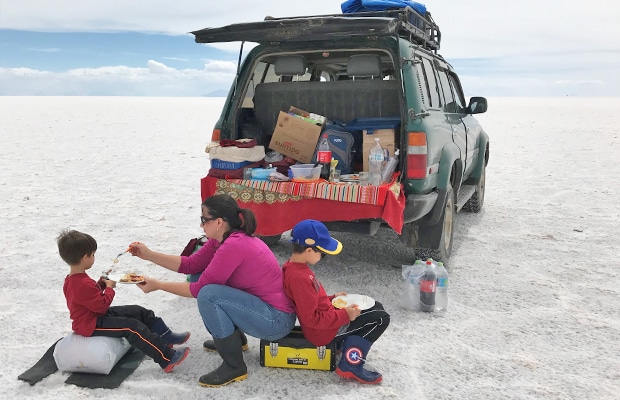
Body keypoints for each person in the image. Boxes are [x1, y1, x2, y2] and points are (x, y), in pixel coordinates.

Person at [128, 194, 296, 387]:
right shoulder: (222, 238)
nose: (201, 225)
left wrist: (158, 285)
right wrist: (149, 255)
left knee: (208, 294)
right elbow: (191, 265)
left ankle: (234, 366)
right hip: (262, 311)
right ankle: (235, 340)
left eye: (203, 220)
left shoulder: (233, 245)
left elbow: (200, 290)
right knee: (202, 277)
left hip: (275, 321)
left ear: (218, 222)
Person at [56, 229, 190, 373]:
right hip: (90, 324)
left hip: (95, 316)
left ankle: (166, 337)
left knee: (138, 311)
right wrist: (109, 288)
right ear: (84, 258)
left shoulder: (73, 279)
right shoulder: (81, 283)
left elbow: (88, 298)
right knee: (132, 328)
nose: (94, 257)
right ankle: (166, 358)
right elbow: (101, 306)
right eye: (93, 254)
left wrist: (101, 283)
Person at [282, 219, 390, 384]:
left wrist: (332, 298)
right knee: (381, 318)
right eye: (322, 253)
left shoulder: (296, 269)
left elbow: (312, 299)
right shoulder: (300, 277)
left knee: (376, 307)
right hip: (324, 332)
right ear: (309, 250)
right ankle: (350, 365)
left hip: (328, 321)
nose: (322, 256)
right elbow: (312, 319)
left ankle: (344, 344)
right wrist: (346, 315)